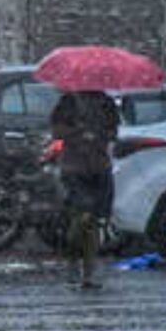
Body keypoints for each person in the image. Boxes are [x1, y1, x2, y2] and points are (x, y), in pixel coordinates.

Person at [50, 91, 119, 289]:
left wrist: (99, 134)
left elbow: (113, 132)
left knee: (95, 222)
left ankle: (89, 273)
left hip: (99, 168)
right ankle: (72, 257)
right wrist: (78, 133)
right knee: (82, 217)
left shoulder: (106, 102)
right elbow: (57, 130)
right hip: (74, 168)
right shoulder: (68, 101)